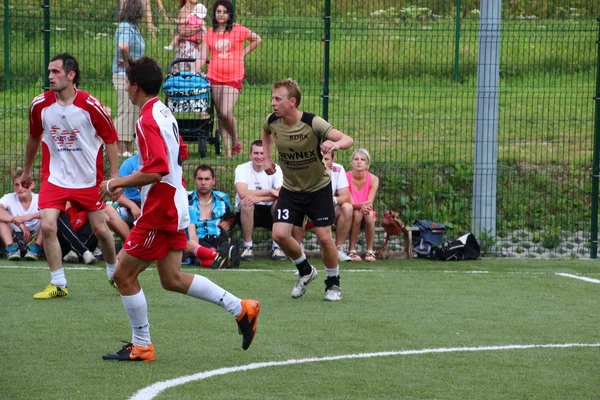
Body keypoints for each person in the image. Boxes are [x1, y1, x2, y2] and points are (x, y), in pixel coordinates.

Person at [100, 56, 259, 362]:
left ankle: (142, 345)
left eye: (126, 83)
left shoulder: (147, 119)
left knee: (122, 275)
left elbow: (158, 168)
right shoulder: (163, 111)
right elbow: (180, 153)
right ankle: (241, 308)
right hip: (175, 202)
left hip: (161, 208)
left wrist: (115, 183)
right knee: (171, 278)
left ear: (134, 87)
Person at [23, 53, 121, 299]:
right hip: (55, 177)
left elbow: (110, 140)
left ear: (71, 75)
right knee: (47, 225)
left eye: (55, 72)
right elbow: (34, 137)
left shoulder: (90, 105)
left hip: (89, 179)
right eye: (49, 72)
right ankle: (58, 283)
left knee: (100, 229)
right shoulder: (40, 105)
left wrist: (114, 178)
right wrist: (26, 170)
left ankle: (115, 274)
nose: (50, 76)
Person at [262, 79, 354, 301]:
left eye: (278, 98)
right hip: (291, 189)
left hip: (318, 189)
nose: (273, 103)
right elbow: (265, 134)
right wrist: (266, 157)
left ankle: (333, 284)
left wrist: (335, 145)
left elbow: (347, 139)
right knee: (279, 234)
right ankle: (306, 270)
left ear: (292, 102)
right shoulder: (272, 121)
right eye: (273, 98)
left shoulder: (313, 122)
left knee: (324, 238)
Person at [195, 0, 262, 157]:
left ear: (229, 14)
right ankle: (228, 152)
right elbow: (202, 57)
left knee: (226, 112)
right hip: (215, 76)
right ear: (214, 14)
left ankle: (236, 139)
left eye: (224, 12)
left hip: (234, 76)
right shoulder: (210, 33)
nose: (221, 14)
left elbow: (257, 39)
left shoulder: (238, 30)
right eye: (218, 11)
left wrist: (242, 54)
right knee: (219, 114)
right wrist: (192, 72)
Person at [291, 150, 353, 262]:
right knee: (299, 208)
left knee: (348, 208)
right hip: (308, 208)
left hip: (328, 207)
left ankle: (338, 249)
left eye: (326, 159)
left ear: (333, 160)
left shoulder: (338, 169)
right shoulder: (305, 168)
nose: (322, 163)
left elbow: (345, 197)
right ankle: (298, 251)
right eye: (319, 159)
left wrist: (332, 200)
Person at [234, 139, 286, 261]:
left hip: (270, 211)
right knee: (246, 202)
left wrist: (258, 197)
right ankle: (248, 248)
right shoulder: (241, 169)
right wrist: (269, 191)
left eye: (262, 153)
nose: (259, 156)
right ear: (250, 154)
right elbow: (242, 193)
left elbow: (282, 194)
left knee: (281, 203)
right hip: (248, 212)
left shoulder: (276, 169)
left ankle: (277, 248)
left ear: (267, 155)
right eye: (256, 153)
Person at [188, 164, 240, 268]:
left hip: (217, 235)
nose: (203, 183)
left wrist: (228, 223)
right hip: (199, 237)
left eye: (207, 179)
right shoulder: (187, 199)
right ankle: (225, 256)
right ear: (195, 180)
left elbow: (232, 217)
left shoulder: (222, 198)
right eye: (200, 179)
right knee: (207, 250)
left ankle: (225, 251)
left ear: (213, 181)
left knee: (223, 242)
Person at [113, 0, 146, 157]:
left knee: (132, 110)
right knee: (125, 110)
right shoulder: (126, 27)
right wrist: (130, 62)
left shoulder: (133, 28)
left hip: (132, 75)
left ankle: (128, 147)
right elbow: (123, 45)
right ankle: (120, 149)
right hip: (123, 74)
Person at [0, 170, 43, 261]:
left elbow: (52, 212)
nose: (20, 188)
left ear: (32, 184)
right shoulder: (9, 198)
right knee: (2, 221)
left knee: (49, 220)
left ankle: (35, 249)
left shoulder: (40, 198)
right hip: (14, 236)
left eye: (24, 184)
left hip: (36, 236)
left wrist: (28, 217)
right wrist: (19, 223)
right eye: (17, 185)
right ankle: (11, 249)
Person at [346, 149, 380, 262]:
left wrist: (365, 207)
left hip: (366, 209)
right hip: (351, 210)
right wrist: (360, 207)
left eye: (362, 159)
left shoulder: (374, 179)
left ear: (367, 163)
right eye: (356, 159)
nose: (359, 162)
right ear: (352, 162)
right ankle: (352, 250)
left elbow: (370, 201)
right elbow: (350, 202)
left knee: (369, 215)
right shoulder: (345, 177)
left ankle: (370, 251)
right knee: (357, 214)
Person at [104, 154, 141, 242]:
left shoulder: (160, 163)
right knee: (108, 210)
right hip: (132, 205)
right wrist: (132, 205)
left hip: (152, 204)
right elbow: (116, 194)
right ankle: (131, 244)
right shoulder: (129, 164)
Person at [171, 0, 206, 73]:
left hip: (195, 48)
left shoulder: (198, 10)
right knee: (183, 75)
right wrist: (198, 28)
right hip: (185, 49)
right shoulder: (184, 10)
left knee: (193, 77)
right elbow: (182, 32)